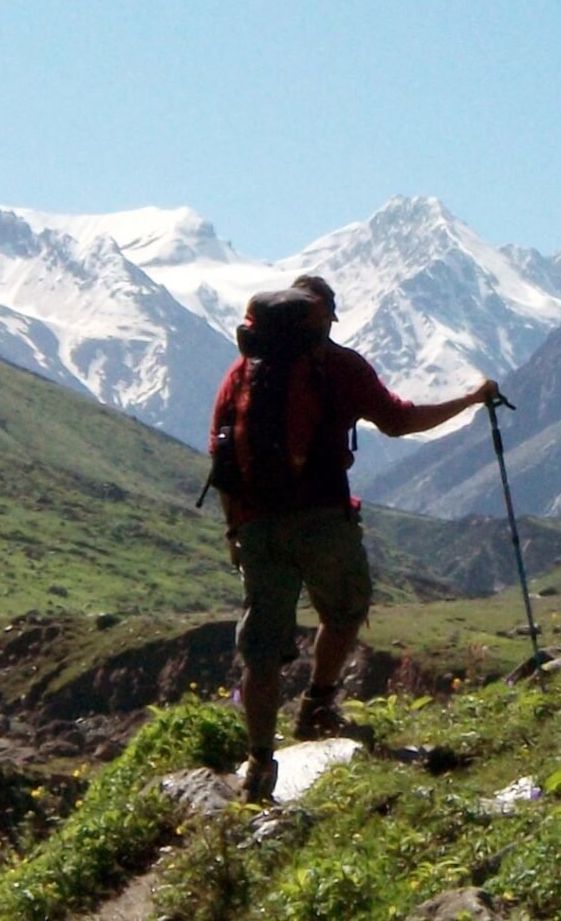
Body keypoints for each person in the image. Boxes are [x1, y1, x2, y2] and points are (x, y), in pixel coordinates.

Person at [209, 274, 498, 803]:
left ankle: (258, 764)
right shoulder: (338, 366)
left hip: (256, 524)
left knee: (262, 652)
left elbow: (222, 457)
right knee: (344, 609)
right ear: (324, 317)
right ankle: (318, 705)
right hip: (323, 519)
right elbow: (401, 420)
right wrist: (472, 400)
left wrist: (235, 529)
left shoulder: (240, 374)